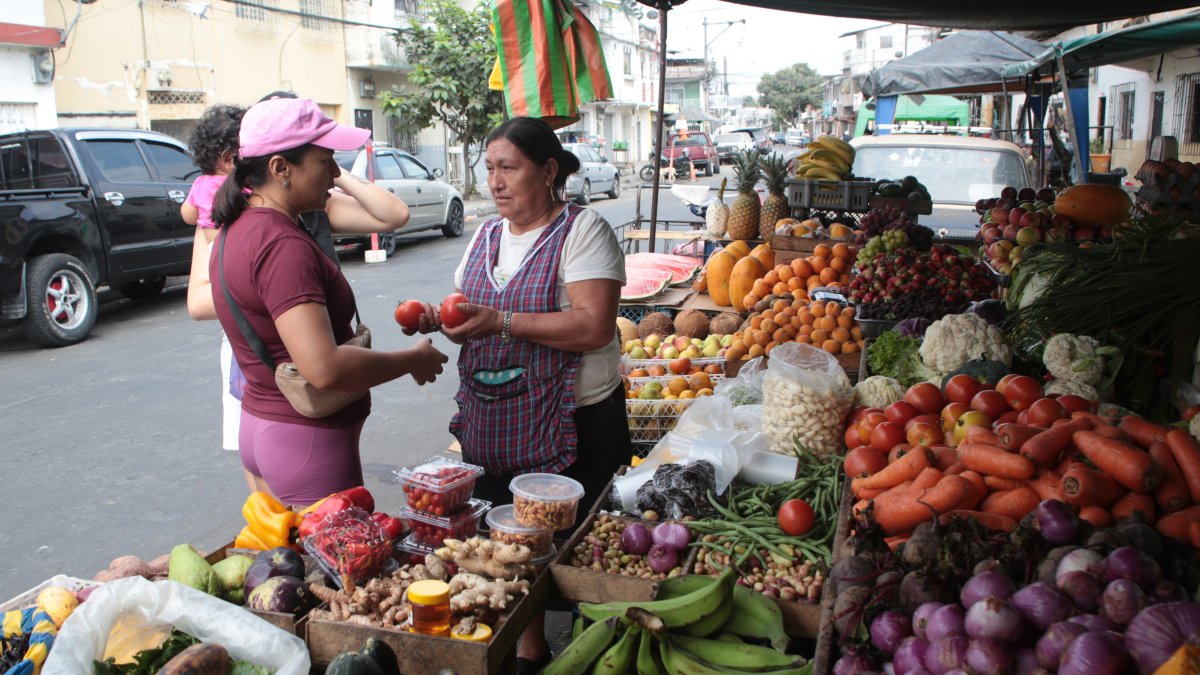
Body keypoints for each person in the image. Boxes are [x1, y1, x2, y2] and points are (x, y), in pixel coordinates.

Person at [407, 116, 631, 671]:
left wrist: (502, 323)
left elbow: (594, 326)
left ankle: (594, 654)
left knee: (576, 558)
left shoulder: (583, 232)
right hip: (494, 424)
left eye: (510, 168)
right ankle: (526, 652)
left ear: (548, 170)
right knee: (504, 552)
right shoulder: (485, 235)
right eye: (490, 169)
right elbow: (468, 305)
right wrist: (437, 318)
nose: (496, 182)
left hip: (575, 427)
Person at [210, 97, 448, 507]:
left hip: (265, 423)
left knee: (290, 565)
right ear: (280, 168)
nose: (335, 172)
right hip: (305, 442)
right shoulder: (281, 245)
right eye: (325, 161)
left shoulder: (238, 227)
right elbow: (323, 368)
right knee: (345, 568)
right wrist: (412, 358)